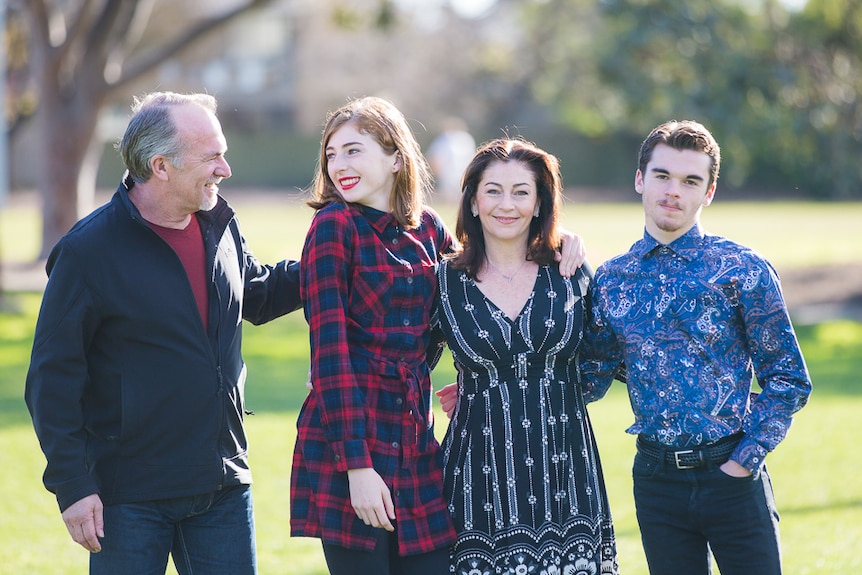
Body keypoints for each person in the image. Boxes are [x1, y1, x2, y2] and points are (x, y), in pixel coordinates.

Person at [289, 98, 585, 575]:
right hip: (350, 441)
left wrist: (558, 237)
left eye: (353, 151)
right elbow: (330, 354)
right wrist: (357, 469)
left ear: (395, 158)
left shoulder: (427, 228)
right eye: (331, 154)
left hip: (414, 437)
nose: (339, 164)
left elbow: (481, 273)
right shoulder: (332, 227)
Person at [24, 91, 301, 575]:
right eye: (212, 156)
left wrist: (333, 258)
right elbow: (51, 380)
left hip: (223, 487)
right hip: (126, 497)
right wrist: (73, 485)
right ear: (161, 166)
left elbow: (254, 294)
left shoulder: (219, 223)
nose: (225, 169)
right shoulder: (88, 252)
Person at [580, 120, 812, 575]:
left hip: (731, 472)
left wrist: (744, 462)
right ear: (640, 179)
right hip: (655, 479)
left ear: (708, 192)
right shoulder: (611, 279)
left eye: (691, 181)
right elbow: (589, 379)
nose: (673, 191)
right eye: (663, 176)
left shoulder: (742, 270)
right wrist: (489, 386)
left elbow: (789, 379)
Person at [434, 138, 619, 574]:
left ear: (539, 204)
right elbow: (402, 357)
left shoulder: (570, 271)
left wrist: (558, 393)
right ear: (473, 203)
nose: (507, 204)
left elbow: (609, 352)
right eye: (493, 190)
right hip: (477, 468)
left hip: (566, 466)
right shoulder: (443, 280)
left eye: (521, 192)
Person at [426, 117, 476, 202]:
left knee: (449, 200)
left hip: (448, 175)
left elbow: (436, 158)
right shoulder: (467, 138)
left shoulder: (443, 139)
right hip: (464, 173)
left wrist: (436, 173)